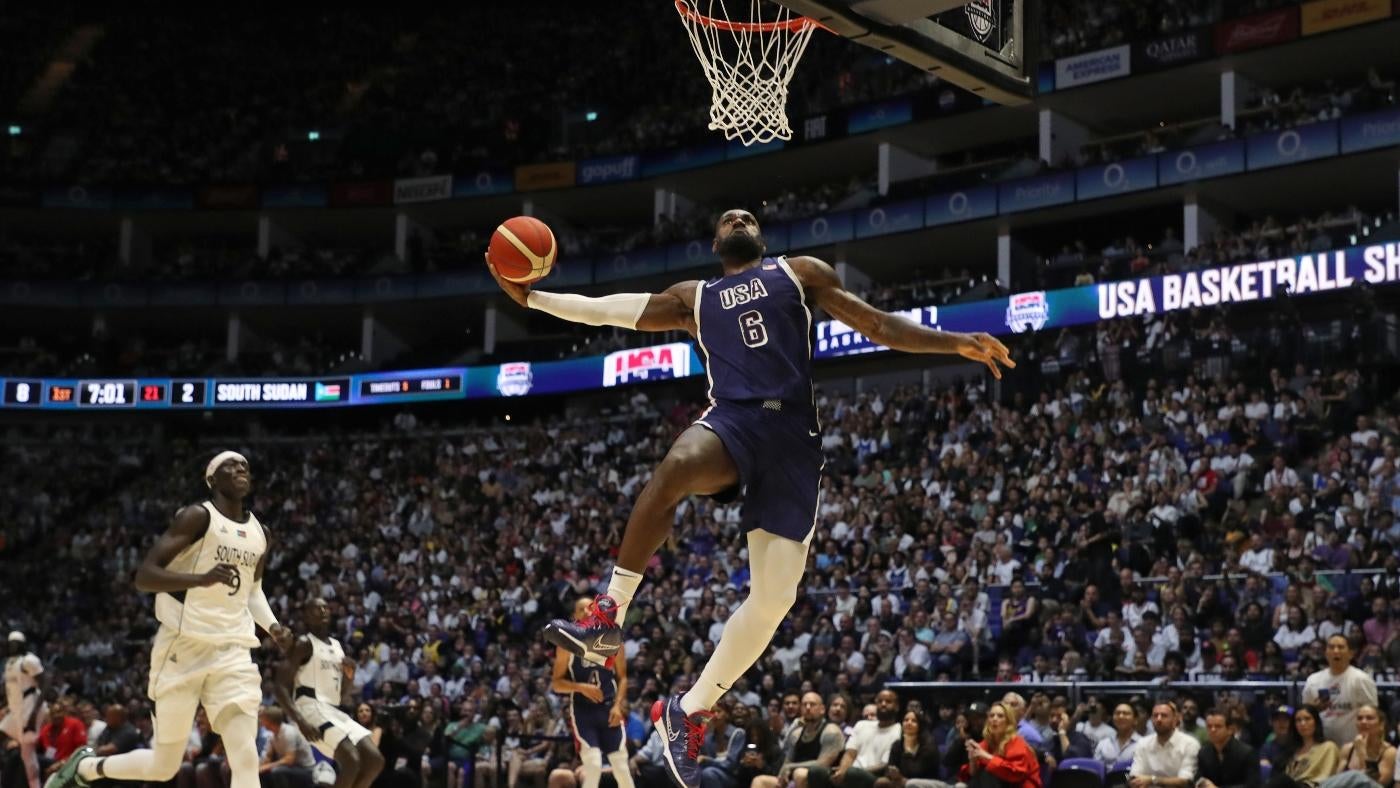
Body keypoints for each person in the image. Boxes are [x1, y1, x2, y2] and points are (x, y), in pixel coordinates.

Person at [500, 209, 1014, 788]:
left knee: (772, 602)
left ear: (759, 237)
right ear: (716, 241)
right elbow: (612, 309)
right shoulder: (695, 297)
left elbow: (879, 327)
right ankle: (607, 615)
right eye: (727, 218)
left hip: (793, 443)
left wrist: (955, 343)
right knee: (679, 463)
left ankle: (686, 712)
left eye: (747, 216)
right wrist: (536, 301)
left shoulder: (799, 273)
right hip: (734, 422)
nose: (738, 217)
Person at [46, 452, 288, 788]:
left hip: (233, 648)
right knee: (164, 766)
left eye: (245, 466)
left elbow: (252, 592)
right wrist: (199, 579)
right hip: (184, 645)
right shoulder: (196, 517)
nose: (240, 469)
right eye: (230, 466)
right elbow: (145, 576)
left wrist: (273, 627)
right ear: (212, 480)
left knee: (245, 754)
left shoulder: (261, 532)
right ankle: (88, 768)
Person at [272, 598, 385, 788]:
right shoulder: (303, 643)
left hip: (332, 710)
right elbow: (280, 686)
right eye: (316, 609)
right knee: (351, 759)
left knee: (375, 760)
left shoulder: (337, 646)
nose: (323, 611)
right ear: (306, 617)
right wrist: (300, 720)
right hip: (309, 709)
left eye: (325, 607)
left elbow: (342, 696)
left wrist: (349, 677)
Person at [551, 598, 634, 788]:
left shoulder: (613, 638)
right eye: (581, 609)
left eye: (591, 608)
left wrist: (618, 706)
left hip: (608, 708)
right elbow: (557, 684)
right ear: (574, 617)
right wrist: (581, 687)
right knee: (594, 765)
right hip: (583, 712)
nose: (587, 612)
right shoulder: (565, 645)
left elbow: (623, 678)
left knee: (621, 765)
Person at [808, 690, 903, 788]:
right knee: (816, 771)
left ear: (897, 707)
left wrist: (850, 773)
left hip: (873, 776)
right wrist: (842, 771)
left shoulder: (899, 730)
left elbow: (884, 765)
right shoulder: (861, 725)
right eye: (880, 701)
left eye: (888, 701)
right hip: (850, 772)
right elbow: (850, 754)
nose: (883, 704)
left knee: (853, 773)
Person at [751, 692, 845, 788]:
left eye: (812, 704)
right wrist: (781, 778)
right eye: (804, 705)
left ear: (822, 709)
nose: (808, 707)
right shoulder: (797, 733)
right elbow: (787, 763)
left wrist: (791, 767)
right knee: (760, 781)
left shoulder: (831, 731)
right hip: (795, 780)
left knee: (800, 774)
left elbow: (822, 764)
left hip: (823, 780)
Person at [1301, 635, 1377, 746]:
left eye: (1341, 647)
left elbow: (1373, 714)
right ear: (1326, 653)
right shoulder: (1313, 680)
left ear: (1351, 653)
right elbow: (1304, 714)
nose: (1336, 651)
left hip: (1354, 746)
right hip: (1321, 746)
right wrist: (1316, 708)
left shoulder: (1361, 679)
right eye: (1331, 647)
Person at [2, 631, 48, 788]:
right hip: (16, 711)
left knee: (27, 753)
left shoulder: (29, 660)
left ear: (22, 644)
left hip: (31, 709)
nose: (12, 645)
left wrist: (35, 713)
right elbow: (10, 689)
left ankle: (35, 785)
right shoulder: (9, 663)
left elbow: (45, 683)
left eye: (16, 643)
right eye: (11, 643)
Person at [957, 702, 1040, 788]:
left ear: (1008, 721)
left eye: (1000, 716)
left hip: (1020, 785)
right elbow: (973, 774)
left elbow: (1016, 774)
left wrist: (986, 756)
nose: (994, 719)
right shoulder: (986, 743)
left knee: (988, 772)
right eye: (991, 716)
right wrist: (972, 759)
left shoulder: (1017, 742)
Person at [1128, 702, 1200, 788]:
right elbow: (1134, 776)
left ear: (1175, 720)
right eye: (1155, 715)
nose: (1159, 719)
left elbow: (1185, 781)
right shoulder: (1142, 743)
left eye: (1164, 715)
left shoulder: (1189, 744)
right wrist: (1135, 782)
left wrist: (1152, 780)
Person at [1267, 707, 1337, 788]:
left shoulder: (1328, 747)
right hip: (1289, 785)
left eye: (1307, 719)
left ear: (1316, 722)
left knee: (1283, 780)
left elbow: (1326, 777)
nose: (1303, 723)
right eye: (1298, 720)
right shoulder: (1291, 750)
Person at [1328, 705, 1394, 788]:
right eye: (1359, 718)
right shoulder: (1347, 749)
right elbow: (1337, 781)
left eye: (1369, 718)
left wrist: (1362, 754)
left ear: (1381, 724)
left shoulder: (1390, 752)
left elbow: (1376, 784)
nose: (1363, 722)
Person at [876, 710, 941, 788]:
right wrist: (892, 773)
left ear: (920, 725)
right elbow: (889, 769)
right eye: (906, 720)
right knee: (882, 782)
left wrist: (908, 749)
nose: (909, 723)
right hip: (901, 781)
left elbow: (917, 773)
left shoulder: (929, 745)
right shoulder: (897, 744)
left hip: (926, 783)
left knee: (910, 783)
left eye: (914, 721)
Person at [1195, 709, 1259, 788]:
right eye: (1209, 726)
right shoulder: (1203, 752)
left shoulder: (1247, 753)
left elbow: (1252, 785)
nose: (1212, 730)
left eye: (1218, 726)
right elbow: (1198, 779)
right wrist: (1202, 783)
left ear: (1230, 730)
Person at [257, 707, 316, 788]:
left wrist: (267, 767)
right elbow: (268, 756)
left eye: (263, 719)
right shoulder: (272, 735)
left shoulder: (288, 733)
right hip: (290, 767)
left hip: (305, 769)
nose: (261, 721)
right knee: (261, 773)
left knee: (276, 771)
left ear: (270, 721)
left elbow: (289, 760)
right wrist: (259, 767)